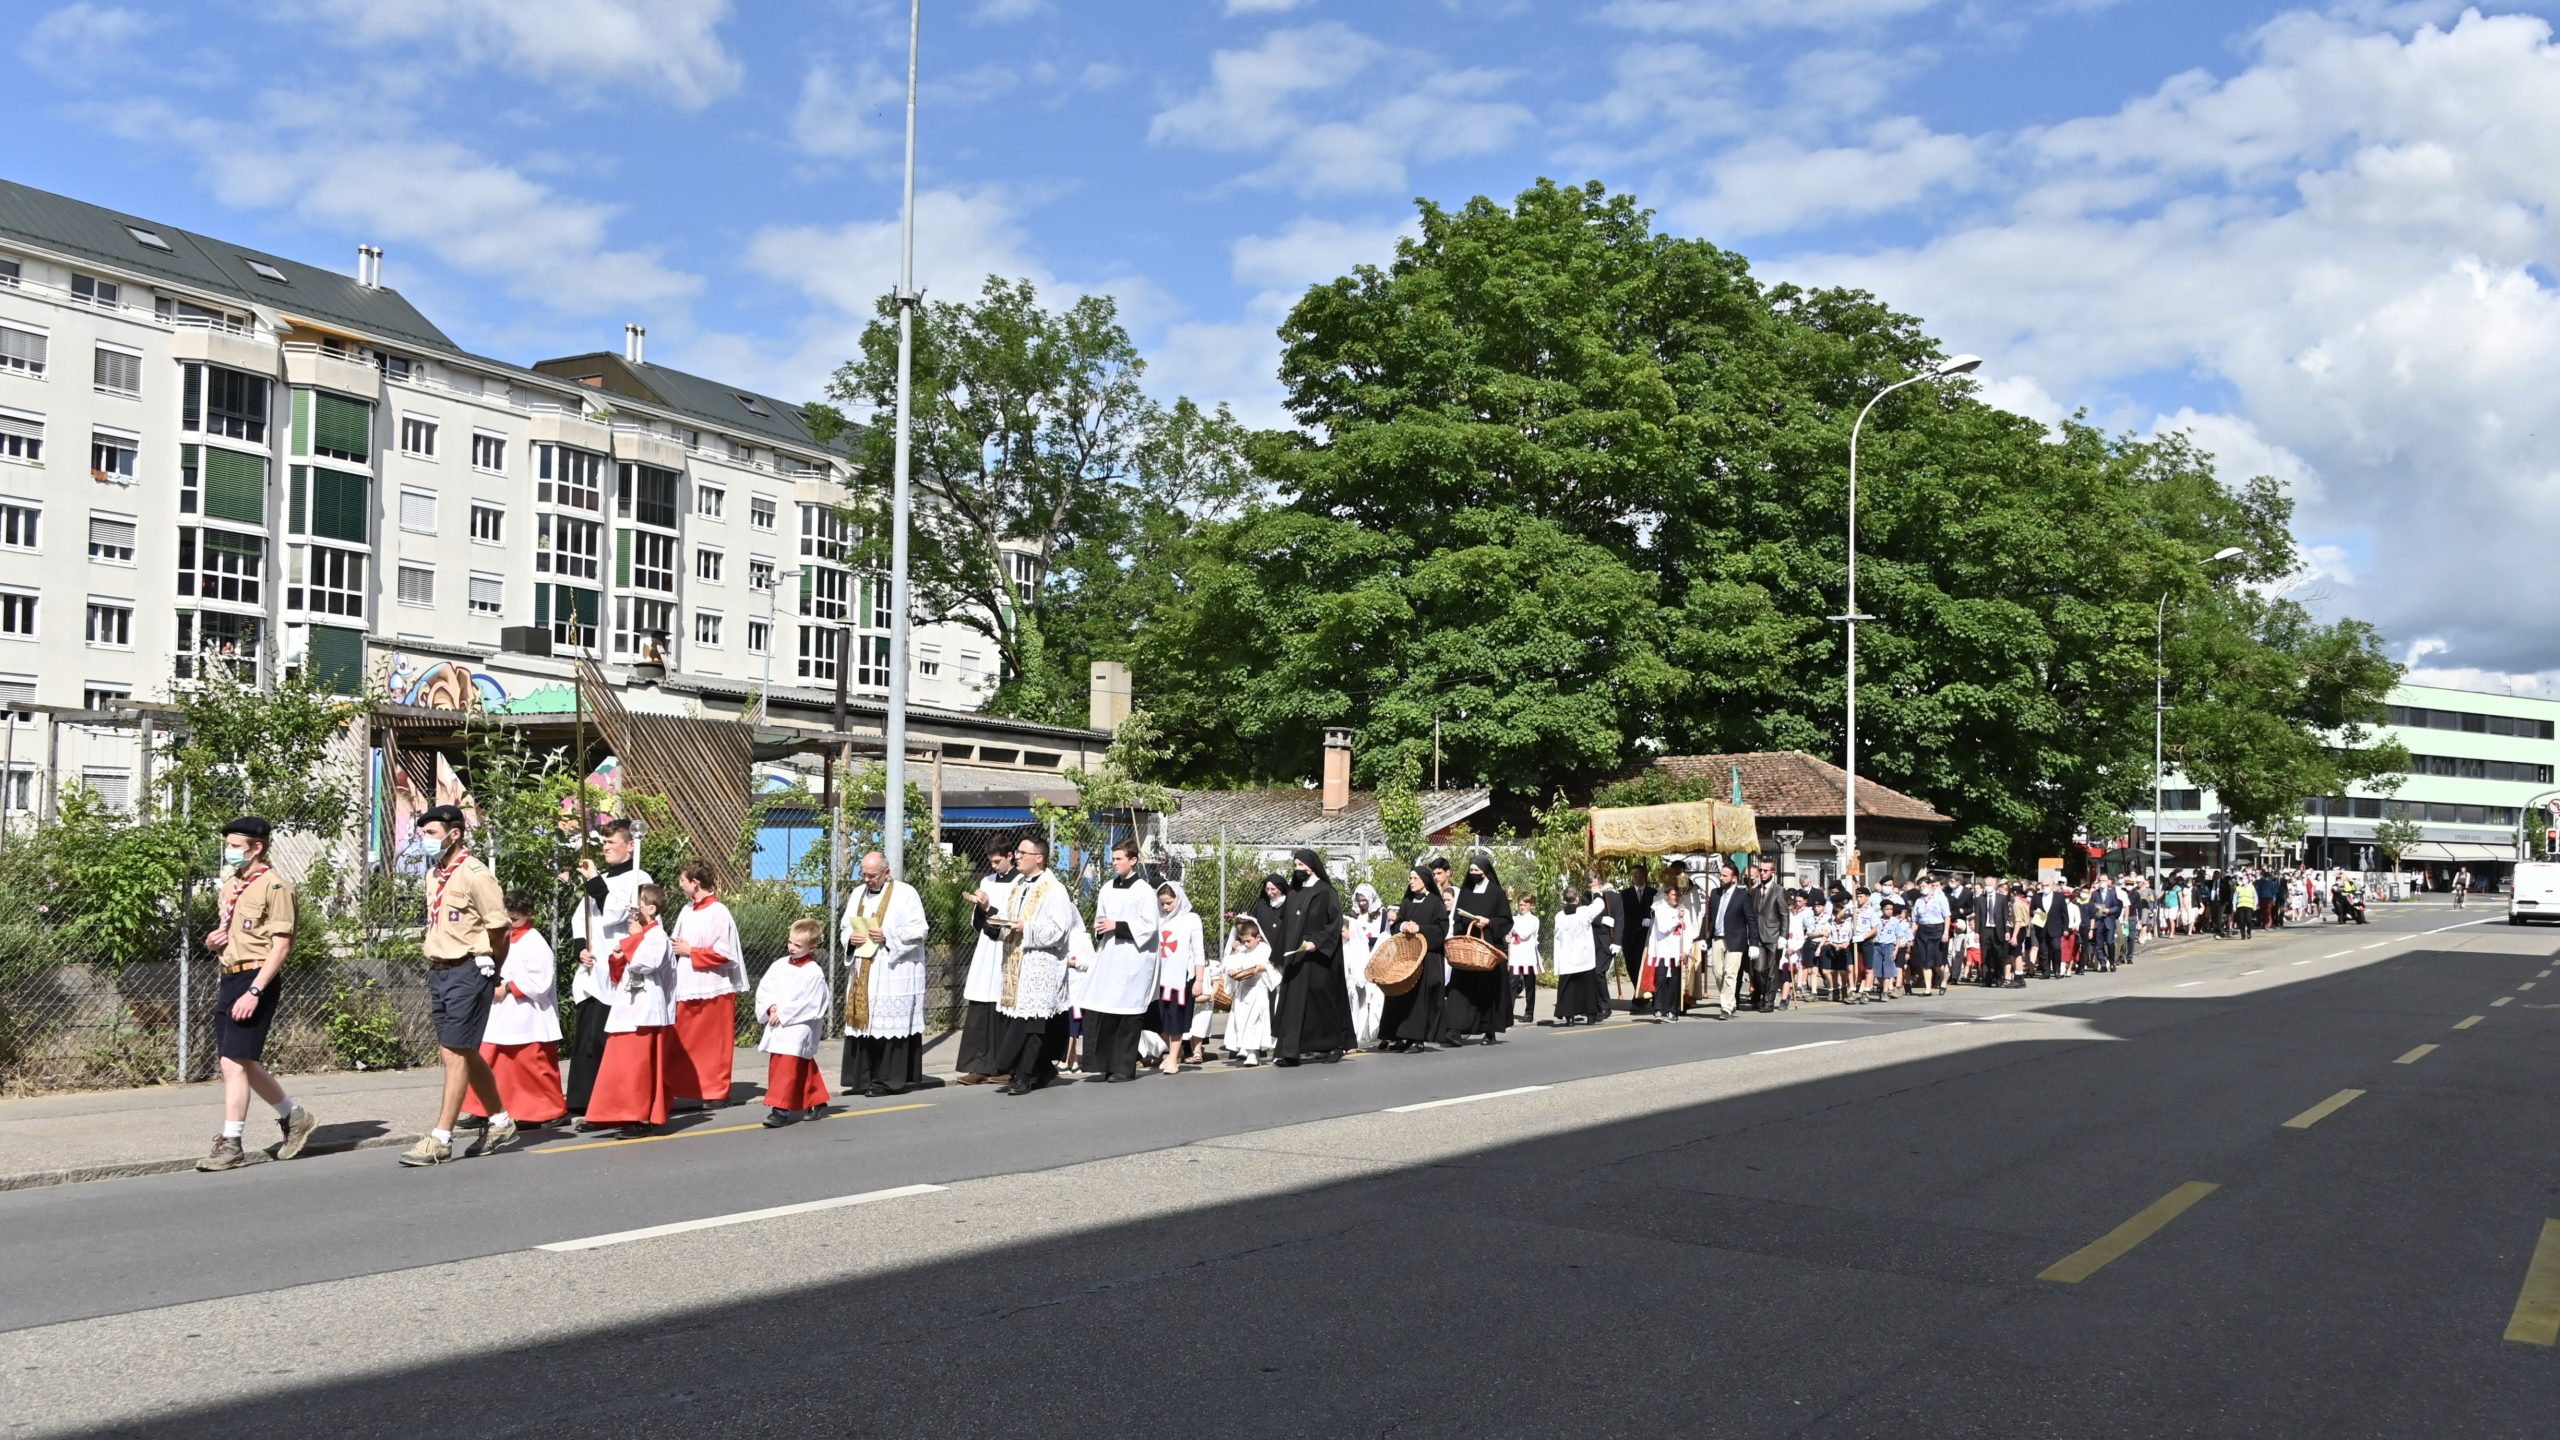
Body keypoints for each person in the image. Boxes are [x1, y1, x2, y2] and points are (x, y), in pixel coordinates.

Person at [195, 817, 317, 1173]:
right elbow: (230, 934)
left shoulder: (276, 887)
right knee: (241, 1061)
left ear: (256, 847)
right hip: (230, 976)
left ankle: (231, 1144)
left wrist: (254, 990)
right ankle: (294, 1117)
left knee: (233, 1062)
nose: (230, 852)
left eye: (235, 846)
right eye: (228, 845)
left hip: (256, 978)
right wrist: (213, 940)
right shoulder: (232, 884)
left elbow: (282, 947)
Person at [399, 805, 514, 1166]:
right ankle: (500, 1121)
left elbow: (500, 928)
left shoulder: (476, 874)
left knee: (454, 1053)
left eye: (431, 834)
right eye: (424, 834)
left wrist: (492, 967)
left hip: (469, 969)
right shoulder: (436, 875)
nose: (425, 841)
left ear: (455, 834)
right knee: (460, 1051)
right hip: (440, 969)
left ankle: (441, 1138)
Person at [564, 819, 650, 1120]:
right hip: (593, 968)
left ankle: (608, 1101)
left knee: (604, 1036)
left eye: (610, 843)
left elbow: (618, 912)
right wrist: (580, 948)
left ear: (630, 845)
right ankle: (581, 1099)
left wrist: (594, 880)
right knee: (585, 1035)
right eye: (603, 842)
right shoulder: (601, 879)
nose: (605, 847)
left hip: (619, 969)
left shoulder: (639, 877)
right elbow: (581, 917)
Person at [986, 836, 1082, 1096]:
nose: (1016, 856)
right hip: (1017, 964)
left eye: (1022, 852)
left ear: (1038, 857)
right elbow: (1012, 921)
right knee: (1020, 1021)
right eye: (1016, 852)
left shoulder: (1055, 889)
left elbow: (1060, 930)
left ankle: (1025, 1075)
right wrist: (997, 925)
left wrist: (1025, 928)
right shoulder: (1018, 886)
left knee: (1033, 1025)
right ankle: (1041, 1069)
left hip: (1041, 966)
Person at [463, 890, 566, 1130]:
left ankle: (546, 1109)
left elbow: (542, 980)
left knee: (532, 1066)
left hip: (526, 1014)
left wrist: (509, 987)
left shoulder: (535, 941)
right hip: (497, 1011)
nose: (511, 923)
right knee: (487, 1058)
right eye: (507, 918)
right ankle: (482, 1108)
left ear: (528, 915)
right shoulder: (496, 937)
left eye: (516, 919)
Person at [586, 883, 678, 1135]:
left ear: (650, 909)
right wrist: (617, 957)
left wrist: (633, 940)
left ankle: (639, 1117)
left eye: (635, 906)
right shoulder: (638, 936)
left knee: (636, 1070)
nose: (631, 912)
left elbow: (646, 964)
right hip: (626, 1010)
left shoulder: (657, 936)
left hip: (645, 1013)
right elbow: (621, 975)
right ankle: (611, 1113)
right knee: (618, 1067)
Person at [840, 849, 932, 1097]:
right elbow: (845, 925)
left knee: (887, 1026)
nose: (867, 880)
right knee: (867, 1025)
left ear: (887, 873)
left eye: (872, 875)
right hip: (864, 969)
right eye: (864, 874)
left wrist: (888, 936)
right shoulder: (858, 893)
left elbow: (920, 930)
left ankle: (886, 1080)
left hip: (892, 970)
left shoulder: (905, 893)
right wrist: (851, 937)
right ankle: (864, 1078)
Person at [1078, 840, 1161, 1084]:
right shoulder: (1106, 888)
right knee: (1105, 1009)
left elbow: (1149, 926)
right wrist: (1103, 927)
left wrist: (1118, 926)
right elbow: (1100, 919)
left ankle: (1124, 1068)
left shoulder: (1144, 890)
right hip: (1109, 956)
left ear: (1133, 860)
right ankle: (1105, 1064)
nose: (1114, 863)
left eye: (1118, 859)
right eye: (1112, 859)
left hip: (1134, 959)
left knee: (1127, 1014)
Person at [668, 861, 748, 1108]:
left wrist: (690, 950)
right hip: (687, 984)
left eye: (682, 880)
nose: (679, 885)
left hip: (713, 986)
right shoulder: (686, 911)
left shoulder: (719, 912)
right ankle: (682, 1088)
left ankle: (716, 1091)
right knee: (684, 1041)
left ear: (695, 883)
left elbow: (725, 954)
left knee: (714, 1044)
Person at [1272, 848, 1354, 1065]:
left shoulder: (1326, 891)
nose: (1297, 870)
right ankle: (1291, 1051)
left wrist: (1316, 942)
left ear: (1312, 867)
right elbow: (1286, 924)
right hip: (1296, 957)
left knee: (1322, 1002)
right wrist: (1277, 953)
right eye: (1295, 865)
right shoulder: (1293, 892)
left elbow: (1334, 924)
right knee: (1294, 1003)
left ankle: (1332, 1045)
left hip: (1320, 959)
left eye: (1301, 865)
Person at [754, 918, 831, 1127]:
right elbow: (765, 988)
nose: (791, 948)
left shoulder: (813, 972)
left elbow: (811, 1002)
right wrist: (770, 1006)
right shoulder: (779, 965)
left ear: (812, 948)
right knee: (795, 1063)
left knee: (786, 1066)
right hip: (778, 1022)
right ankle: (816, 1098)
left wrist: (785, 1012)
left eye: (798, 945)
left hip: (799, 1025)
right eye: (790, 942)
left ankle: (780, 1110)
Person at [954, 844, 1017, 1085]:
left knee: (1003, 1008)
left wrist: (989, 908)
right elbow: (978, 924)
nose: (993, 866)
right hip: (986, 949)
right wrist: (980, 910)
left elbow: (1011, 920)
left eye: (997, 861)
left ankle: (1004, 1066)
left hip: (1006, 949)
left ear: (1010, 856)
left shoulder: (1019, 883)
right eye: (990, 861)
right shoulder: (987, 881)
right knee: (981, 1007)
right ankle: (979, 1066)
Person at [1379, 864, 1449, 1052]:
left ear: (1424, 881)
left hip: (1427, 958)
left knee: (1421, 998)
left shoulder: (1435, 902)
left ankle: (1418, 1039)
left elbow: (1441, 930)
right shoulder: (1407, 901)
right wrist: (1403, 927)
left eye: (1414, 878)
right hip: (1406, 959)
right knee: (1401, 995)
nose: (1411, 881)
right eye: (1410, 878)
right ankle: (1400, 1036)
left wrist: (1420, 929)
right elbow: (1395, 926)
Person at [1443, 851, 1509, 1045]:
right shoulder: (1465, 892)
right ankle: (1454, 1030)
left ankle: (1489, 1031)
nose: (1473, 873)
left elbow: (1506, 920)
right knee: (1458, 989)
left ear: (1485, 871)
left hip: (1488, 948)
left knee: (1487, 990)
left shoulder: (1497, 893)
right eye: (1471, 870)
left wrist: (1488, 922)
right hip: (1467, 948)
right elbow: (1456, 919)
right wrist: (1460, 934)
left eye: (1477, 870)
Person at [1152, 881, 1204, 1077]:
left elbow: (1199, 952)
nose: (1165, 907)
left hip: (1181, 978)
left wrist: (1199, 980)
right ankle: (1176, 1049)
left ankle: (1173, 1058)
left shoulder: (1191, 919)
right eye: (1162, 904)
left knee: (1175, 1018)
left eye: (1169, 903)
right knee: (1154, 1018)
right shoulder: (1157, 919)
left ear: (1178, 899)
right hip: (1159, 978)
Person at [1222, 916, 1277, 1064]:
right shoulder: (1241, 950)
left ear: (1258, 937)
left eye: (1248, 941)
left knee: (1255, 1020)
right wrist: (1232, 970)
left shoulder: (1265, 949)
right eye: (1243, 941)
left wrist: (1261, 967)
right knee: (1241, 1020)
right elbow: (1231, 963)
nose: (1245, 944)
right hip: (1243, 990)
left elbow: (1270, 966)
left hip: (1258, 989)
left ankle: (1253, 1052)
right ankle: (1245, 1048)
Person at [1551, 883, 1608, 1025]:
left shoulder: (1559, 916)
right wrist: (1597, 893)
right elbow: (1599, 906)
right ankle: (1590, 1016)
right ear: (1577, 898)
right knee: (1588, 988)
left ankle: (1569, 1017)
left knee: (1569, 989)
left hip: (1567, 957)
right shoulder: (1583, 912)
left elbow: (1557, 936)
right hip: (1584, 957)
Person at [1344, 882, 1388, 1050]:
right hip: (1358, 959)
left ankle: (1374, 1031)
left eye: (1364, 900)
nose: (1362, 903)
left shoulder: (1381, 914)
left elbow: (1384, 935)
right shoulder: (1353, 917)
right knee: (1356, 995)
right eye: (1359, 900)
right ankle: (1357, 1030)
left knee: (1375, 996)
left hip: (1375, 956)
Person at [1647, 861, 1693, 1021]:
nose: (1677, 897)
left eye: (1678, 895)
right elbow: (1664, 927)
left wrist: (1686, 950)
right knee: (1661, 979)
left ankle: (1673, 1010)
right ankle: (1659, 1008)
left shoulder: (1684, 911)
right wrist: (1676, 918)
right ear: (1667, 896)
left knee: (1674, 980)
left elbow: (1688, 932)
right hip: (1663, 951)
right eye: (1674, 895)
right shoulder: (1660, 909)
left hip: (1676, 952)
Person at [1910, 875, 1950, 997]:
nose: (1922, 888)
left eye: (1924, 886)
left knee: (1937, 963)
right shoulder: (1919, 900)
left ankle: (1943, 980)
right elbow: (1914, 920)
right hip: (1923, 930)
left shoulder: (1940, 898)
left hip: (1937, 929)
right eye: (1920, 886)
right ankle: (1928, 989)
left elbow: (1947, 916)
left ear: (1931, 885)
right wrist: (1911, 934)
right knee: (1925, 962)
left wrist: (1946, 932)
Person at [1507, 894, 1542, 1026]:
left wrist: (1512, 925)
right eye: (1520, 904)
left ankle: (1529, 1012)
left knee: (1529, 986)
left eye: (1524, 905)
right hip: (1515, 956)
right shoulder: (1514, 918)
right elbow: (1509, 935)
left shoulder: (1534, 920)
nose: (1521, 907)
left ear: (1530, 905)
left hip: (1528, 957)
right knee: (1512, 984)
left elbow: (1524, 934)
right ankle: (1508, 1013)